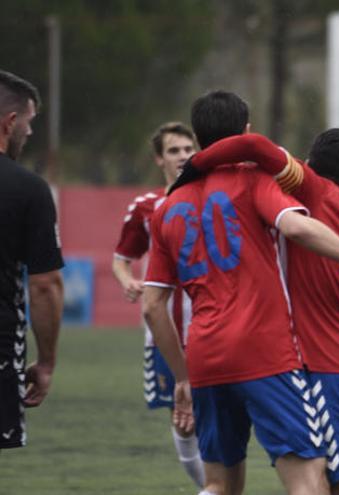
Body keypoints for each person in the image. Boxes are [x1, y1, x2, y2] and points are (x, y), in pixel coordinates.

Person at [142, 91, 339, 495]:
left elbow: (151, 305)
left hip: (212, 358)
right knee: (313, 478)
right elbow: (294, 225)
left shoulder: (167, 208)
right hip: (296, 354)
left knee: (219, 484)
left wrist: (182, 377)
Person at [111, 122, 205, 487]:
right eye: (173, 150)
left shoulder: (210, 199)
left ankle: (217, 485)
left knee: (215, 415)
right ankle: (208, 486)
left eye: (187, 148)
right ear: (159, 159)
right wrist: (127, 281)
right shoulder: (146, 207)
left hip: (210, 328)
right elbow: (121, 257)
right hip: (164, 331)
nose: (182, 156)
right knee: (181, 416)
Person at [0, 70, 64, 451]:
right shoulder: (27, 188)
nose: (30, 132)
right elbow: (44, 286)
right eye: (29, 122)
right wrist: (46, 362)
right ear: (10, 122)